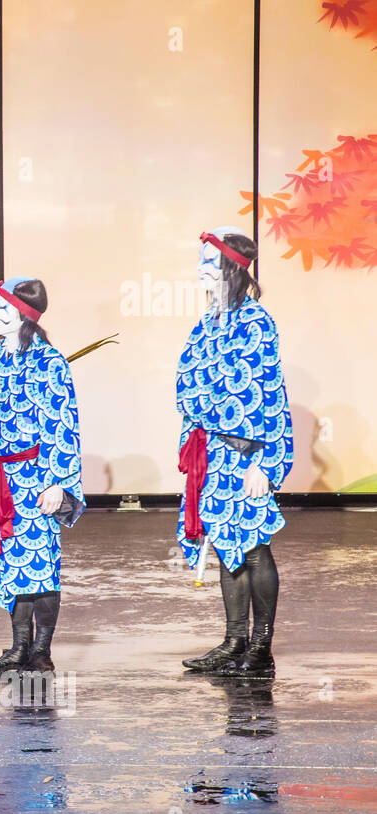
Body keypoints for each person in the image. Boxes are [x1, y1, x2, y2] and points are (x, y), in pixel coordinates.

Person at [0, 277, 83, 676]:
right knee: (13, 564)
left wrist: (58, 481)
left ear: (24, 314)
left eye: (3, 309)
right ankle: (18, 647)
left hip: (35, 476)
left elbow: (63, 422)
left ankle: (41, 652)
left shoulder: (50, 362)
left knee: (39, 565)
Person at [178, 229, 292, 677]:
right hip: (212, 455)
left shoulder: (256, 322)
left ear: (232, 269)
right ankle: (233, 641)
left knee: (255, 548)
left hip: (246, 454)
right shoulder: (206, 322)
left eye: (209, 261)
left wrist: (266, 461)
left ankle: (260, 647)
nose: (201, 268)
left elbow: (270, 395)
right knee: (228, 547)